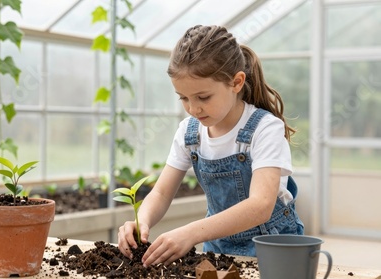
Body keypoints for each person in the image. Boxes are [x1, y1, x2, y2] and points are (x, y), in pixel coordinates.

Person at [117, 25, 304, 267]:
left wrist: (190, 233)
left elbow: (260, 206)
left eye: (203, 97)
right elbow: (162, 193)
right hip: (217, 248)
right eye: (183, 98)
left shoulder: (265, 128)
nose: (193, 109)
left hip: (273, 248)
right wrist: (141, 221)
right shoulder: (189, 132)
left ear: (236, 83)